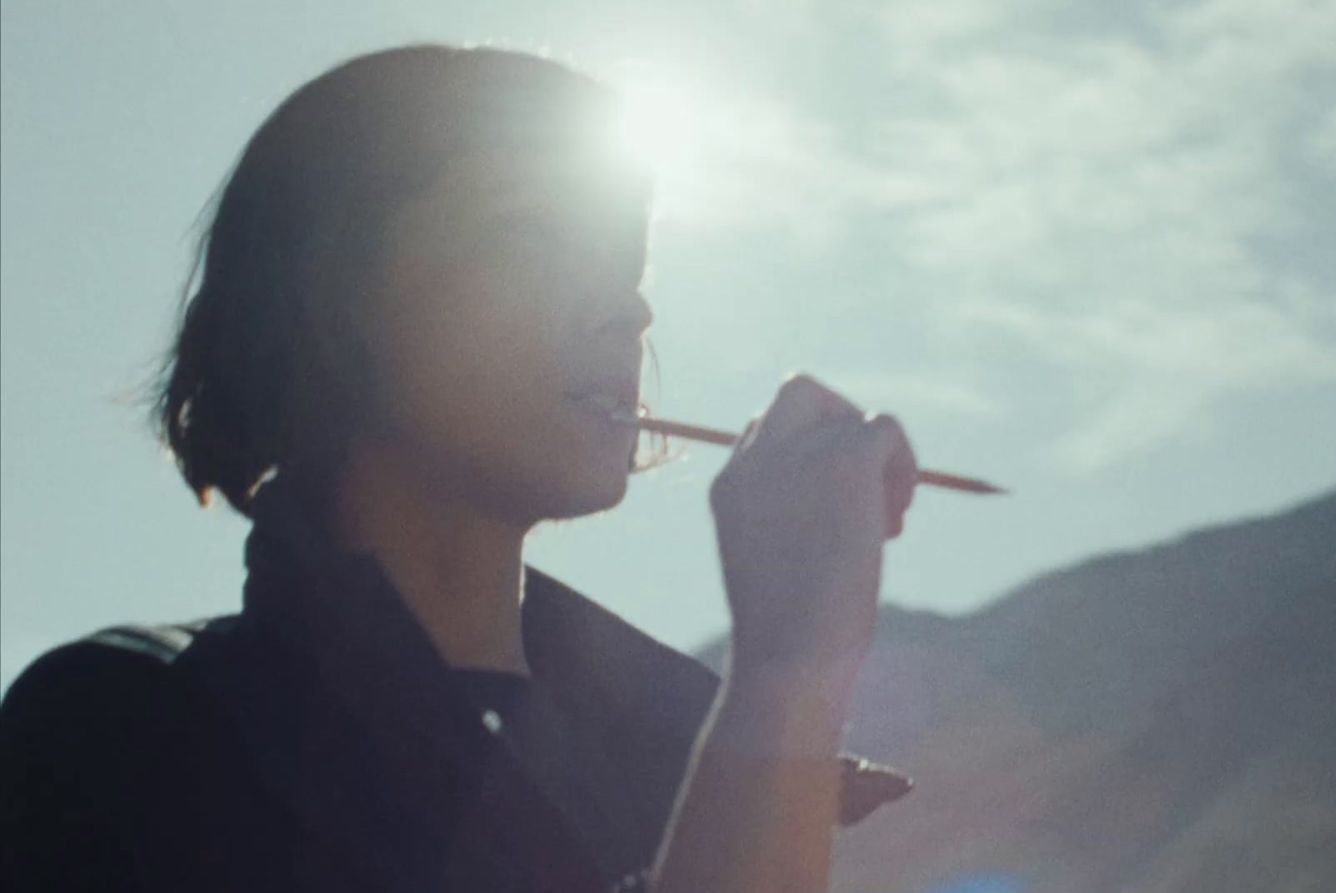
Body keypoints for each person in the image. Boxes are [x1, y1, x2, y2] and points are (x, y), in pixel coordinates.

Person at [0, 44, 918, 892]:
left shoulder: (692, 752)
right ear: (330, 299)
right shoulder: (131, 731)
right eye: (529, 237)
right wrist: (783, 676)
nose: (626, 311)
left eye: (626, 259)